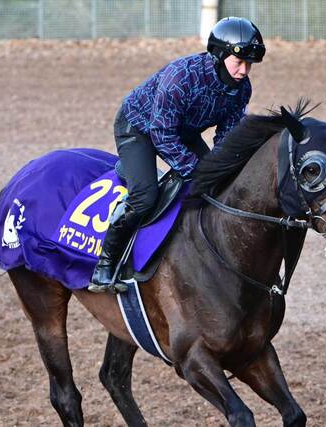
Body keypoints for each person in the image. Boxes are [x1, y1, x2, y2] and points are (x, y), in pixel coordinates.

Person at [88, 17, 265, 293]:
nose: (244, 70)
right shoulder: (181, 77)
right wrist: (194, 169)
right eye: (238, 62)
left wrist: (223, 169)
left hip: (182, 130)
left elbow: (226, 138)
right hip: (139, 127)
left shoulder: (242, 88)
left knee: (215, 183)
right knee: (144, 197)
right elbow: (161, 133)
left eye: (249, 64)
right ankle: (106, 264)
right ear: (218, 55)